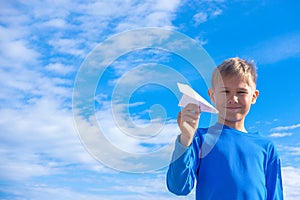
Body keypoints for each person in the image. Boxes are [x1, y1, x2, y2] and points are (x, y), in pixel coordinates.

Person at [166, 57, 283, 200]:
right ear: (212, 96)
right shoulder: (200, 139)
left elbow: (275, 195)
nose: (233, 98)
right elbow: (178, 187)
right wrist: (185, 139)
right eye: (225, 91)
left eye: (241, 92)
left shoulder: (266, 147)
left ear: (254, 96)